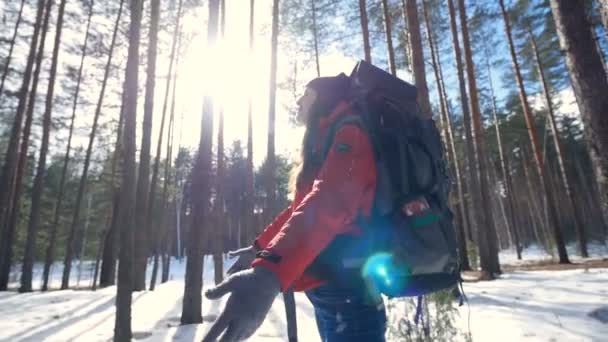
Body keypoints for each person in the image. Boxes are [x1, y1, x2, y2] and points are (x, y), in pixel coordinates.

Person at [202, 73, 386, 342]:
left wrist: (269, 274)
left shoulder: (351, 133)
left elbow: (328, 202)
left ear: (325, 99)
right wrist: (261, 248)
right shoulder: (324, 141)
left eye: (307, 94)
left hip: (348, 288)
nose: (299, 101)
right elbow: (300, 209)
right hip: (330, 288)